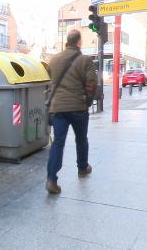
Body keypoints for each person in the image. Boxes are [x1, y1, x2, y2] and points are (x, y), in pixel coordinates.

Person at [46, 30, 98, 194]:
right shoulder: (85, 60)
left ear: (67, 42)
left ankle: (51, 180)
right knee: (81, 139)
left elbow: (52, 81)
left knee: (58, 143)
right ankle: (82, 167)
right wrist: (87, 102)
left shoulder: (53, 59)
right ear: (79, 42)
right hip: (78, 107)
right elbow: (91, 84)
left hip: (58, 108)